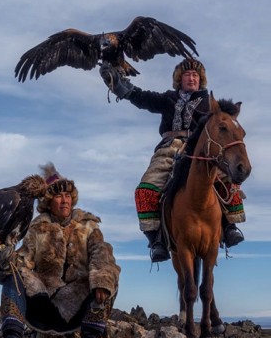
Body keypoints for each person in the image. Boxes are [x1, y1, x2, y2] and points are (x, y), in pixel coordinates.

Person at [99, 58, 246, 263]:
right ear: (179, 79)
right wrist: (119, 85)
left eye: (196, 75)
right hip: (169, 148)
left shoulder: (209, 102)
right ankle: (157, 240)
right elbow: (142, 98)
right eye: (187, 75)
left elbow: (226, 120)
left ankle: (230, 227)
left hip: (199, 150)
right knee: (145, 189)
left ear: (201, 79)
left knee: (227, 181)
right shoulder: (168, 98)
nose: (192, 78)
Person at [0, 163, 121, 338]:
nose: (64, 200)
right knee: (14, 271)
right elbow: (24, 259)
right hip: (43, 306)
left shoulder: (89, 226)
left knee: (106, 273)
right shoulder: (37, 227)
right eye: (58, 196)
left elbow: (101, 252)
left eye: (67, 195)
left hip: (78, 307)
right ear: (49, 201)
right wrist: (4, 258)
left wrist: (101, 280)